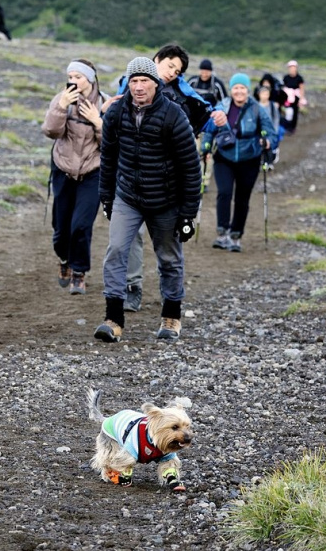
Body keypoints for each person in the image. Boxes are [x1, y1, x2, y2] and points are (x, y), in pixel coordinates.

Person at [95, 57, 202, 343]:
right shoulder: (116, 113)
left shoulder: (173, 115)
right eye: (134, 81)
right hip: (128, 195)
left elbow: (191, 167)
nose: (139, 87)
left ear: (155, 83)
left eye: (144, 81)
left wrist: (188, 213)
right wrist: (106, 197)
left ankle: (171, 317)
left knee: (169, 258)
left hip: (166, 199)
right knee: (116, 250)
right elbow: (108, 159)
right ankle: (113, 319)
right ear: (127, 83)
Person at [115, 44, 212, 312]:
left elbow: (204, 116)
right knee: (127, 240)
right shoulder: (127, 85)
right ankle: (131, 289)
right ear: (156, 60)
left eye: (177, 71)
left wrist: (215, 118)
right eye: (170, 66)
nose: (172, 73)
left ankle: (171, 306)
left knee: (168, 250)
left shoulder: (181, 94)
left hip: (166, 186)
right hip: (130, 180)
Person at [41, 59, 108, 295]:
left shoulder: (104, 103)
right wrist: (60, 106)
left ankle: (79, 272)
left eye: (78, 77)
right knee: (60, 229)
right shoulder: (63, 100)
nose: (73, 81)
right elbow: (50, 131)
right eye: (70, 76)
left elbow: (112, 145)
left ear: (90, 79)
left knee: (81, 225)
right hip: (63, 169)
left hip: (92, 172)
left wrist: (98, 122)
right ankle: (63, 259)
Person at [200, 73, 278, 253]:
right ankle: (222, 233)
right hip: (224, 157)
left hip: (249, 159)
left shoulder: (257, 109)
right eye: (236, 87)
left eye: (242, 88)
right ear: (231, 89)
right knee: (224, 193)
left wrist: (266, 142)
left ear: (248, 90)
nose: (239, 91)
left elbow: (271, 133)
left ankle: (236, 235)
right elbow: (211, 128)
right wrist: (206, 143)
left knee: (242, 198)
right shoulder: (223, 106)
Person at [280, 60, 306, 135]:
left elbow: (301, 88)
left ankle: (292, 128)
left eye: (293, 67)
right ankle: (286, 126)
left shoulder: (299, 78)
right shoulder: (286, 77)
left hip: (296, 98)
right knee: (288, 111)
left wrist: (301, 98)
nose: (292, 69)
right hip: (287, 98)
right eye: (290, 67)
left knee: (295, 113)